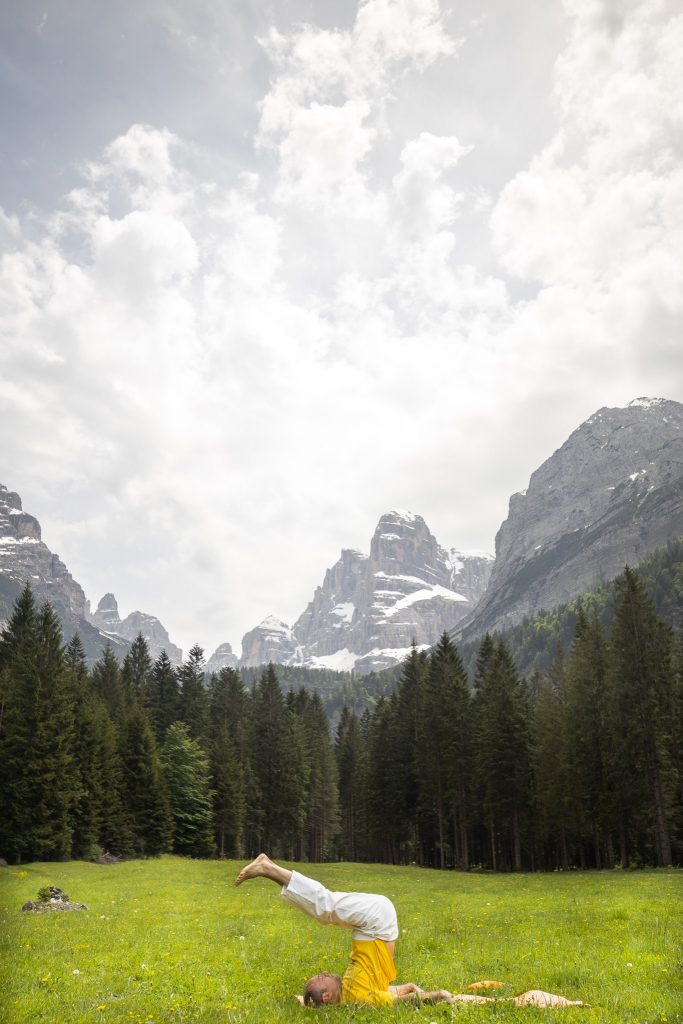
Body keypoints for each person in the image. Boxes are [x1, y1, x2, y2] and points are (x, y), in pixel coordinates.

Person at [234, 854, 584, 1009]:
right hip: (375, 922)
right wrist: (428, 995)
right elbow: (399, 995)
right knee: (326, 908)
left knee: (327, 909)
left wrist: (305, 1000)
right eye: (320, 980)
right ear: (329, 997)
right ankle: (268, 867)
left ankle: (270, 869)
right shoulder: (359, 997)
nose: (323, 972)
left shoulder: (354, 996)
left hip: (373, 926)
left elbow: (396, 994)